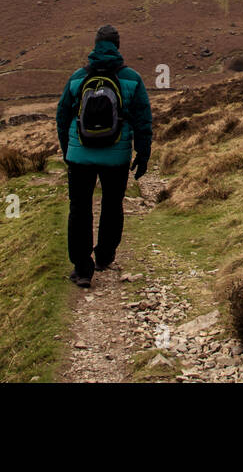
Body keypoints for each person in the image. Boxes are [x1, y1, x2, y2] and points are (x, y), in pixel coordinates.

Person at [56, 24, 153, 288]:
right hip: (116, 157)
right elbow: (144, 119)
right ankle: (104, 256)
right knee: (112, 205)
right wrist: (143, 153)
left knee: (79, 208)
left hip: (80, 156)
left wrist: (68, 150)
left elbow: (62, 115)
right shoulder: (132, 78)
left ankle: (83, 269)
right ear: (117, 46)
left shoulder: (78, 77)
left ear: (96, 44)